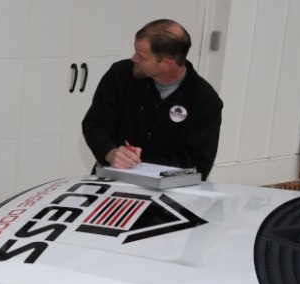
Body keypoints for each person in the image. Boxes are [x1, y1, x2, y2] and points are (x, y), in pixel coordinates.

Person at [82, 19, 223, 180]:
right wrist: (110, 152)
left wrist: (140, 164)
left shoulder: (205, 101)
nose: (134, 59)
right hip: (112, 180)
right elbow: (95, 123)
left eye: (141, 56)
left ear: (166, 64)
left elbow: (198, 164)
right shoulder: (120, 75)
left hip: (169, 193)